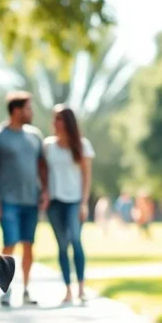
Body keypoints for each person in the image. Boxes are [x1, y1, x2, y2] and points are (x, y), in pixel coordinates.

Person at [0, 91, 47, 307]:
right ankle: (6, 290)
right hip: (8, 201)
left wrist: (45, 191)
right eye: (28, 108)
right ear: (17, 110)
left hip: (31, 200)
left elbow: (42, 166)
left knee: (29, 245)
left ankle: (27, 290)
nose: (32, 113)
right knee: (9, 244)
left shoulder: (35, 135)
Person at [43, 105, 94, 305]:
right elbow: (44, 174)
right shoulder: (48, 146)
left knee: (75, 239)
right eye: (54, 119)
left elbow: (87, 176)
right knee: (62, 246)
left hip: (74, 201)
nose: (55, 123)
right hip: (55, 203)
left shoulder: (82, 145)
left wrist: (84, 202)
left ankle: (81, 288)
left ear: (68, 122)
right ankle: (67, 290)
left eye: (59, 119)